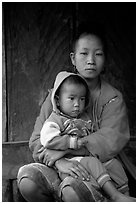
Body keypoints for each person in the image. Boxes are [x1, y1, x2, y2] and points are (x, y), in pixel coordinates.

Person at [17, 21, 135, 202]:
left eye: (98, 54)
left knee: (72, 190)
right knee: (28, 180)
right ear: (73, 58)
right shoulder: (56, 96)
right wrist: (59, 161)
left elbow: (110, 140)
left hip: (100, 169)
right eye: (84, 53)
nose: (91, 60)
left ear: (105, 60)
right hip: (60, 167)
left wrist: (64, 150)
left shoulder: (113, 98)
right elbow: (37, 139)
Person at [39, 71, 135, 202]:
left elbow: (96, 136)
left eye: (82, 99)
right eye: (71, 98)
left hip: (87, 156)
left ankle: (125, 193)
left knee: (114, 164)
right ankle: (113, 195)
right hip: (71, 161)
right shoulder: (55, 120)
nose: (77, 104)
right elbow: (47, 139)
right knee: (93, 163)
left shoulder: (85, 118)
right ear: (58, 100)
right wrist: (71, 143)